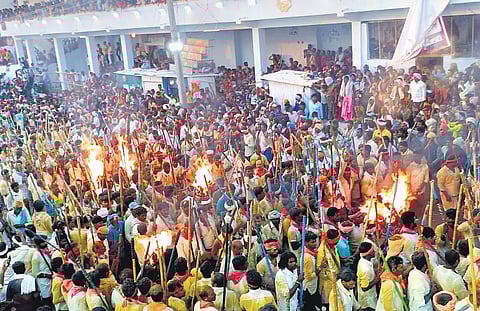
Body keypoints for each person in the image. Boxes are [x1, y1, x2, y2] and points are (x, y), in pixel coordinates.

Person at [356, 242, 378, 311]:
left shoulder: (365, 260)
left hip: (371, 296)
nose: (374, 252)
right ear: (369, 254)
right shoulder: (365, 269)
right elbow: (364, 288)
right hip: (368, 301)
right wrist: (377, 278)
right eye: (372, 251)